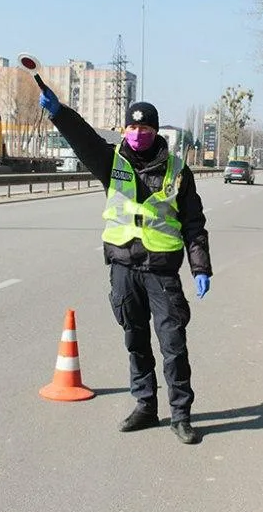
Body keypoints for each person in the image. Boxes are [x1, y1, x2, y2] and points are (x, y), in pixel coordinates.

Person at [39, 87, 212, 445]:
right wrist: (60, 114)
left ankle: (181, 415)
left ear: (155, 133)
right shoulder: (111, 161)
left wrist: (200, 267)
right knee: (135, 340)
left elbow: (194, 223)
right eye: (131, 130)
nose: (137, 135)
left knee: (173, 345)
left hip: (162, 272)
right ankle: (145, 405)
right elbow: (83, 138)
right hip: (123, 267)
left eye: (144, 130)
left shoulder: (178, 171)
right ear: (124, 131)